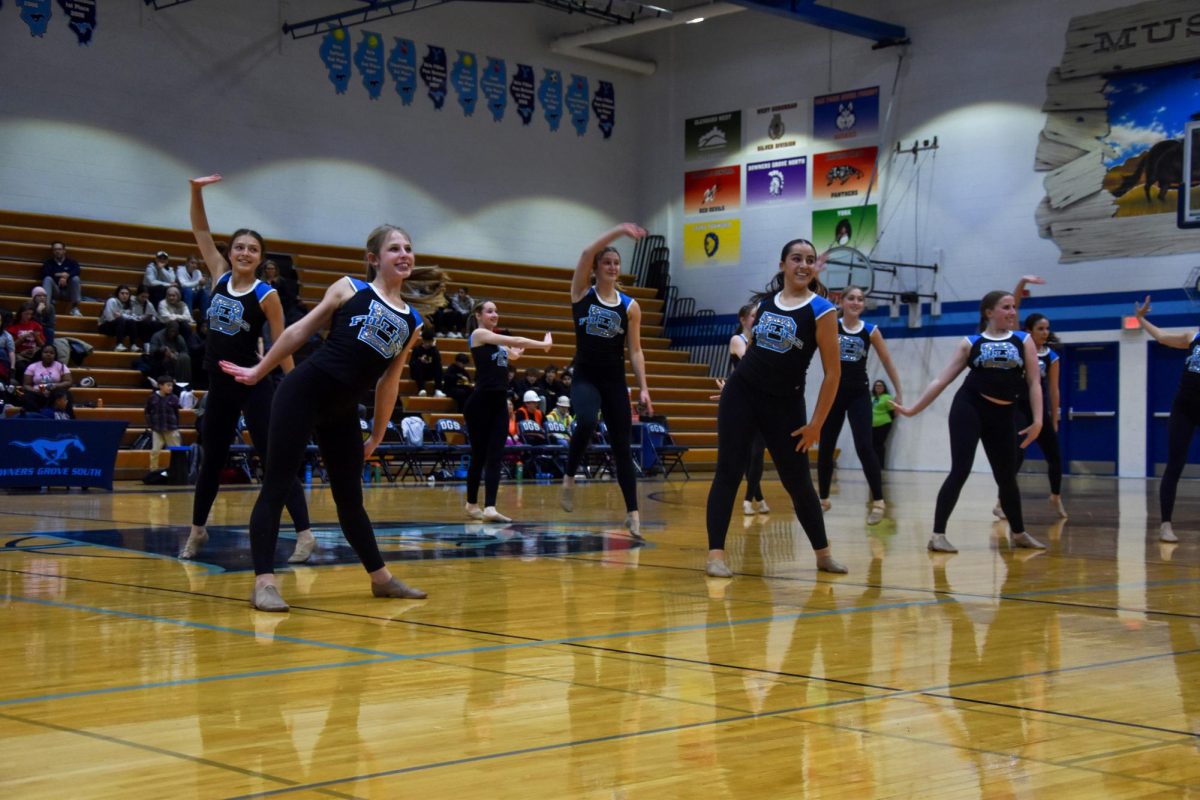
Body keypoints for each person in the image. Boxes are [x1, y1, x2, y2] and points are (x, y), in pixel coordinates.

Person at [221, 221, 447, 611]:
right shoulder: (350, 288)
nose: (405, 255)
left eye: (408, 248)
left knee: (350, 499)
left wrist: (376, 435)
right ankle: (264, 583)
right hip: (302, 392)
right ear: (374, 259)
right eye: (395, 249)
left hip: (343, 410)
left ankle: (381, 579)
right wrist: (262, 371)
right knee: (277, 485)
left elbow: (388, 383)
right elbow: (297, 333)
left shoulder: (411, 321)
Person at [177, 174, 313, 565]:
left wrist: (292, 384)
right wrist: (196, 191)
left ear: (260, 258)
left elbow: (282, 342)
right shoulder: (218, 275)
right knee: (212, 459)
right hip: (220, 387)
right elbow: (201, 230)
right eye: (239, 246)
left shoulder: (266, 295)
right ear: (231, 251)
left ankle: (304, 535)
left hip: (254, 385)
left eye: (252, 249)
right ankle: (197, 530)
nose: (244, 253)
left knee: (276, 460)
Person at [705, 239, 847, 578]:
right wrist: (732, 384)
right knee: (728, 472)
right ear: (783, 264)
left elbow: (833, 373)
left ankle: (823, 555)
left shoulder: (822, 310)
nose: (803, 264)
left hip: (784, 404)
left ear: (814, 268)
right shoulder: (765, 305)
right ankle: (716, 556)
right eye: (796, 258)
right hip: (741, 395)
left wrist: (816, 424)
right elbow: (755, 352)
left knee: (797, 481)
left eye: (809, 260)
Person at [892, 290, 1045, 553]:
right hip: (970, 407)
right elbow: (942, 380)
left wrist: (1039, 420)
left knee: (1006, 477)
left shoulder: (1024, 340)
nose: (1012, 312)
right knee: (960, 469)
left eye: (1013, 307)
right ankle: (937, 535)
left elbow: (1034, 382)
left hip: (1004, 414)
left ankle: (1019, 533)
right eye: (1006, 307)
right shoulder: (970, 342)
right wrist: (912, 409)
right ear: (989, 312)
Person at [560, 224, 654, 538]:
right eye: (607, 263)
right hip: (585, 377)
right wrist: (619, 232)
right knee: (586, 421)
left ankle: (633, 514)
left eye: (616, 263)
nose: (613, 267)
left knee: (622, 448)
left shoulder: (630, 307)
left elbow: (636, 350)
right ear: (597, 268)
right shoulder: (581, 294)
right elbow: (587, 252)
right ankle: (570, 475)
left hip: (615, 382)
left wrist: (643, 387)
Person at [815, 285, 903, 525]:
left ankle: (878, 502)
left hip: (858, 395)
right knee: (826, 447)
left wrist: (899, 392)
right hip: (832, 393)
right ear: (841, 301)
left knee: (865, 447)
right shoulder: (830, 326)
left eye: (860, 299)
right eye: (851, 298)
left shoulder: (871, 331)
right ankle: (822, 499)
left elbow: (888, 362)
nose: (856, 302)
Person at [462, 299, 553, 523]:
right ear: (478, 315)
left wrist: (516, 353)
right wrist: (543, 345)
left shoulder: (497, 343)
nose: (495, 314)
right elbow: (515, 340)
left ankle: (490, 507)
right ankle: (472, 503)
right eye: (490, 311)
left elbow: (511, 354)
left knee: (495, 455)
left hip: (499, 404)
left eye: (496, 311)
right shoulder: (479, 335)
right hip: (479, 403)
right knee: (479, 455)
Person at [1134, 295, 1198, 543]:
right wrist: (1141, 319)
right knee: (1175, 464)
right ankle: (1166, 525)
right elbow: (1161, 336)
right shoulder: (1193, 337)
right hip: (1184, 408)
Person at [1003, 275, 1067, 520]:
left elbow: (1053, 389)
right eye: (1040, 328)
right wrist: (1021, 283)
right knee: (1016, 456)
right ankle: (1002, 500)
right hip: (1018, 408)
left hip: (1039, 410)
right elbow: (1014, 307)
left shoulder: (1051, 356)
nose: (1045, 332)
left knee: (1055, 456)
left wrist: (1055, 416)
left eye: (1047, 328)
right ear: (1028, 331)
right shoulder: (1020, 343)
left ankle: (1055, 497)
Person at [728, 301, 770, 516]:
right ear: (743, 320)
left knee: (757, 453)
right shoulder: (738, 339)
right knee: (749, 453)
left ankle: (757, 498)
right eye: (753, 316)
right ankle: (749, 500)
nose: (756, 319)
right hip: (743, 403)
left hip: (761, 402)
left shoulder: (760, 341)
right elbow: (751, 365)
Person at [22, 343, 72, 412]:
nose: (48, 354)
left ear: (55, 355)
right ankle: (34, 417)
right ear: (41, 353)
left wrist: (55, 386)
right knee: (28, 396)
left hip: (54, 393)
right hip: (37, 393)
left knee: (66, 394)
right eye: (46, 352)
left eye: (51, 353)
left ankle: (65, 418)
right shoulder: (33, 366)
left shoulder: (61, 366)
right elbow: (26, 385)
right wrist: (35, 390)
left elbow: (68, 382)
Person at [145, 376, 181, 472]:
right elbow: (147, 412)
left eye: (171, 386)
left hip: (171, 428)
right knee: (155, 451)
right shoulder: (152, 397)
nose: (170, 388)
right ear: (160, 386)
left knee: (176, 452)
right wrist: (151, 425)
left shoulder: (174, 398)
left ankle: (177, 472)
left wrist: (176, 426)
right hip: (157, 429)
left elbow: (176, 413)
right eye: (168, 385)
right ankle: (153, 471)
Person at [41, 241, 82, 317]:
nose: (57, 251)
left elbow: (77, 271)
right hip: (55, 291)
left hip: (69, 292)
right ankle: (46, 308)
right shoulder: (48, 263)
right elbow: (45, 273)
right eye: (55, 249)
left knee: (76, 279)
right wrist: (61, 275)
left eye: (59, 249)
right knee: (47, 279)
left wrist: (67, 276)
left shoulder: (72, 262)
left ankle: (75, 308)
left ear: (64, 250)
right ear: (53, 251)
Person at [9, 302, 47, 380]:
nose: (29, 316)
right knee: (21, 367)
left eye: (31, 314)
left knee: (43, 358)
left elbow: (43, 345)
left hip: (34, 353)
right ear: (20, 314)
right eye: (26, 314)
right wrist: (22, 338)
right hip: (19, 354)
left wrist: (37, 337)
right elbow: (11, 346)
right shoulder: (13, 327)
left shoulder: (36, 325)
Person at [98, 285, 140, 352]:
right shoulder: (112, 301)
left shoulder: (130, 304)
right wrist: (123, 317)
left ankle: (133, 345)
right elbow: (109, 318)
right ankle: (118, 345)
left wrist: (121, 315)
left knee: (131, 322)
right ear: (118, 294)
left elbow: (135, 318)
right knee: (121, 320)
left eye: (127, 294)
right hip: (105, 326)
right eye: (122, 293)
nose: (125, 295)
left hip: (119, 327)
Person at [408, 327, 445, 396]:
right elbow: (411, 363)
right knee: (417, 364)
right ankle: (421, 389)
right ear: (423, 340)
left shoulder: (434, 350)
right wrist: (420, 360)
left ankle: (438, 389)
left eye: (430, 341)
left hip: (429, 372)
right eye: (426, 341)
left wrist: (433, 348)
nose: (428, 344)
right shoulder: (417, 349)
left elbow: (437, 361)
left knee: (438, 366)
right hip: (418, 373)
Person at [870, 380, 895, 466]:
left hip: (884, 424)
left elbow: (892, 411)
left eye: (880, 386)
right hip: (871, 425)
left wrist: (886, 420)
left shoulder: (887, 397)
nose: (878, 387)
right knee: (871, 445)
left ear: (884, 387)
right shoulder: (871, 397)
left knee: (879, 445)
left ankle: (880, 465)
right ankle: (873, 465)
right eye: (877, 386)